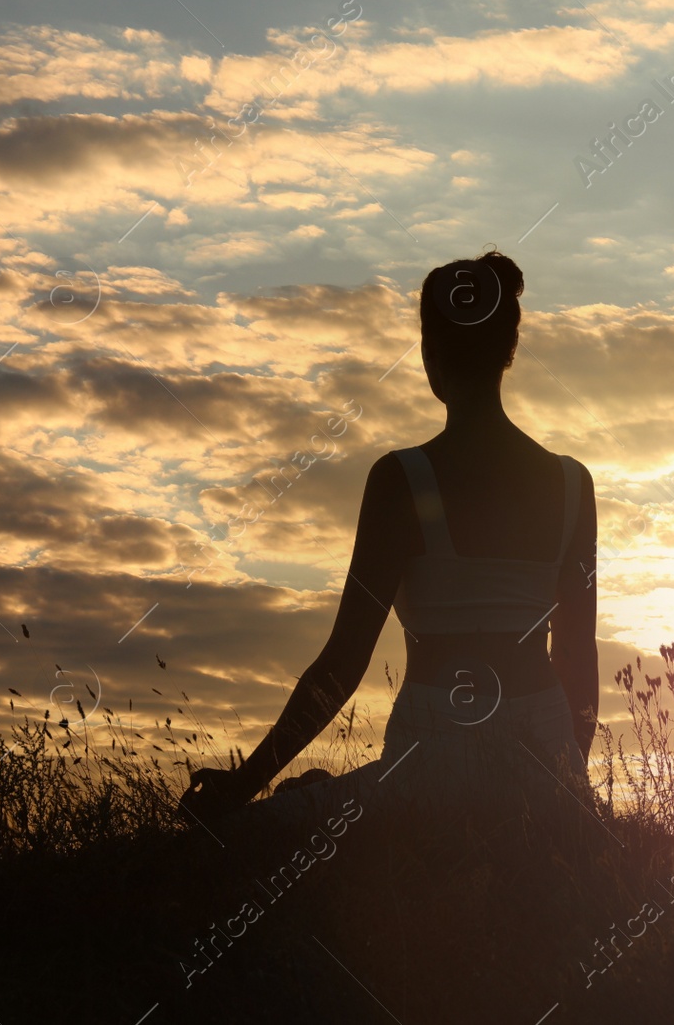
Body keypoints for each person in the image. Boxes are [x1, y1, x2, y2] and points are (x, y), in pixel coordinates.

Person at [178, 250, 598, 828]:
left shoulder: (401, 480)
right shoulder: (574, 484)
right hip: (546, 762)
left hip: (432, 766)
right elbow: (578, 660)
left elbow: (344, 664)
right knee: (321, 797)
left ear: (429, 356)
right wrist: (568, 787)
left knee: (270, 825)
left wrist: (244, 784)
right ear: (509, 352)